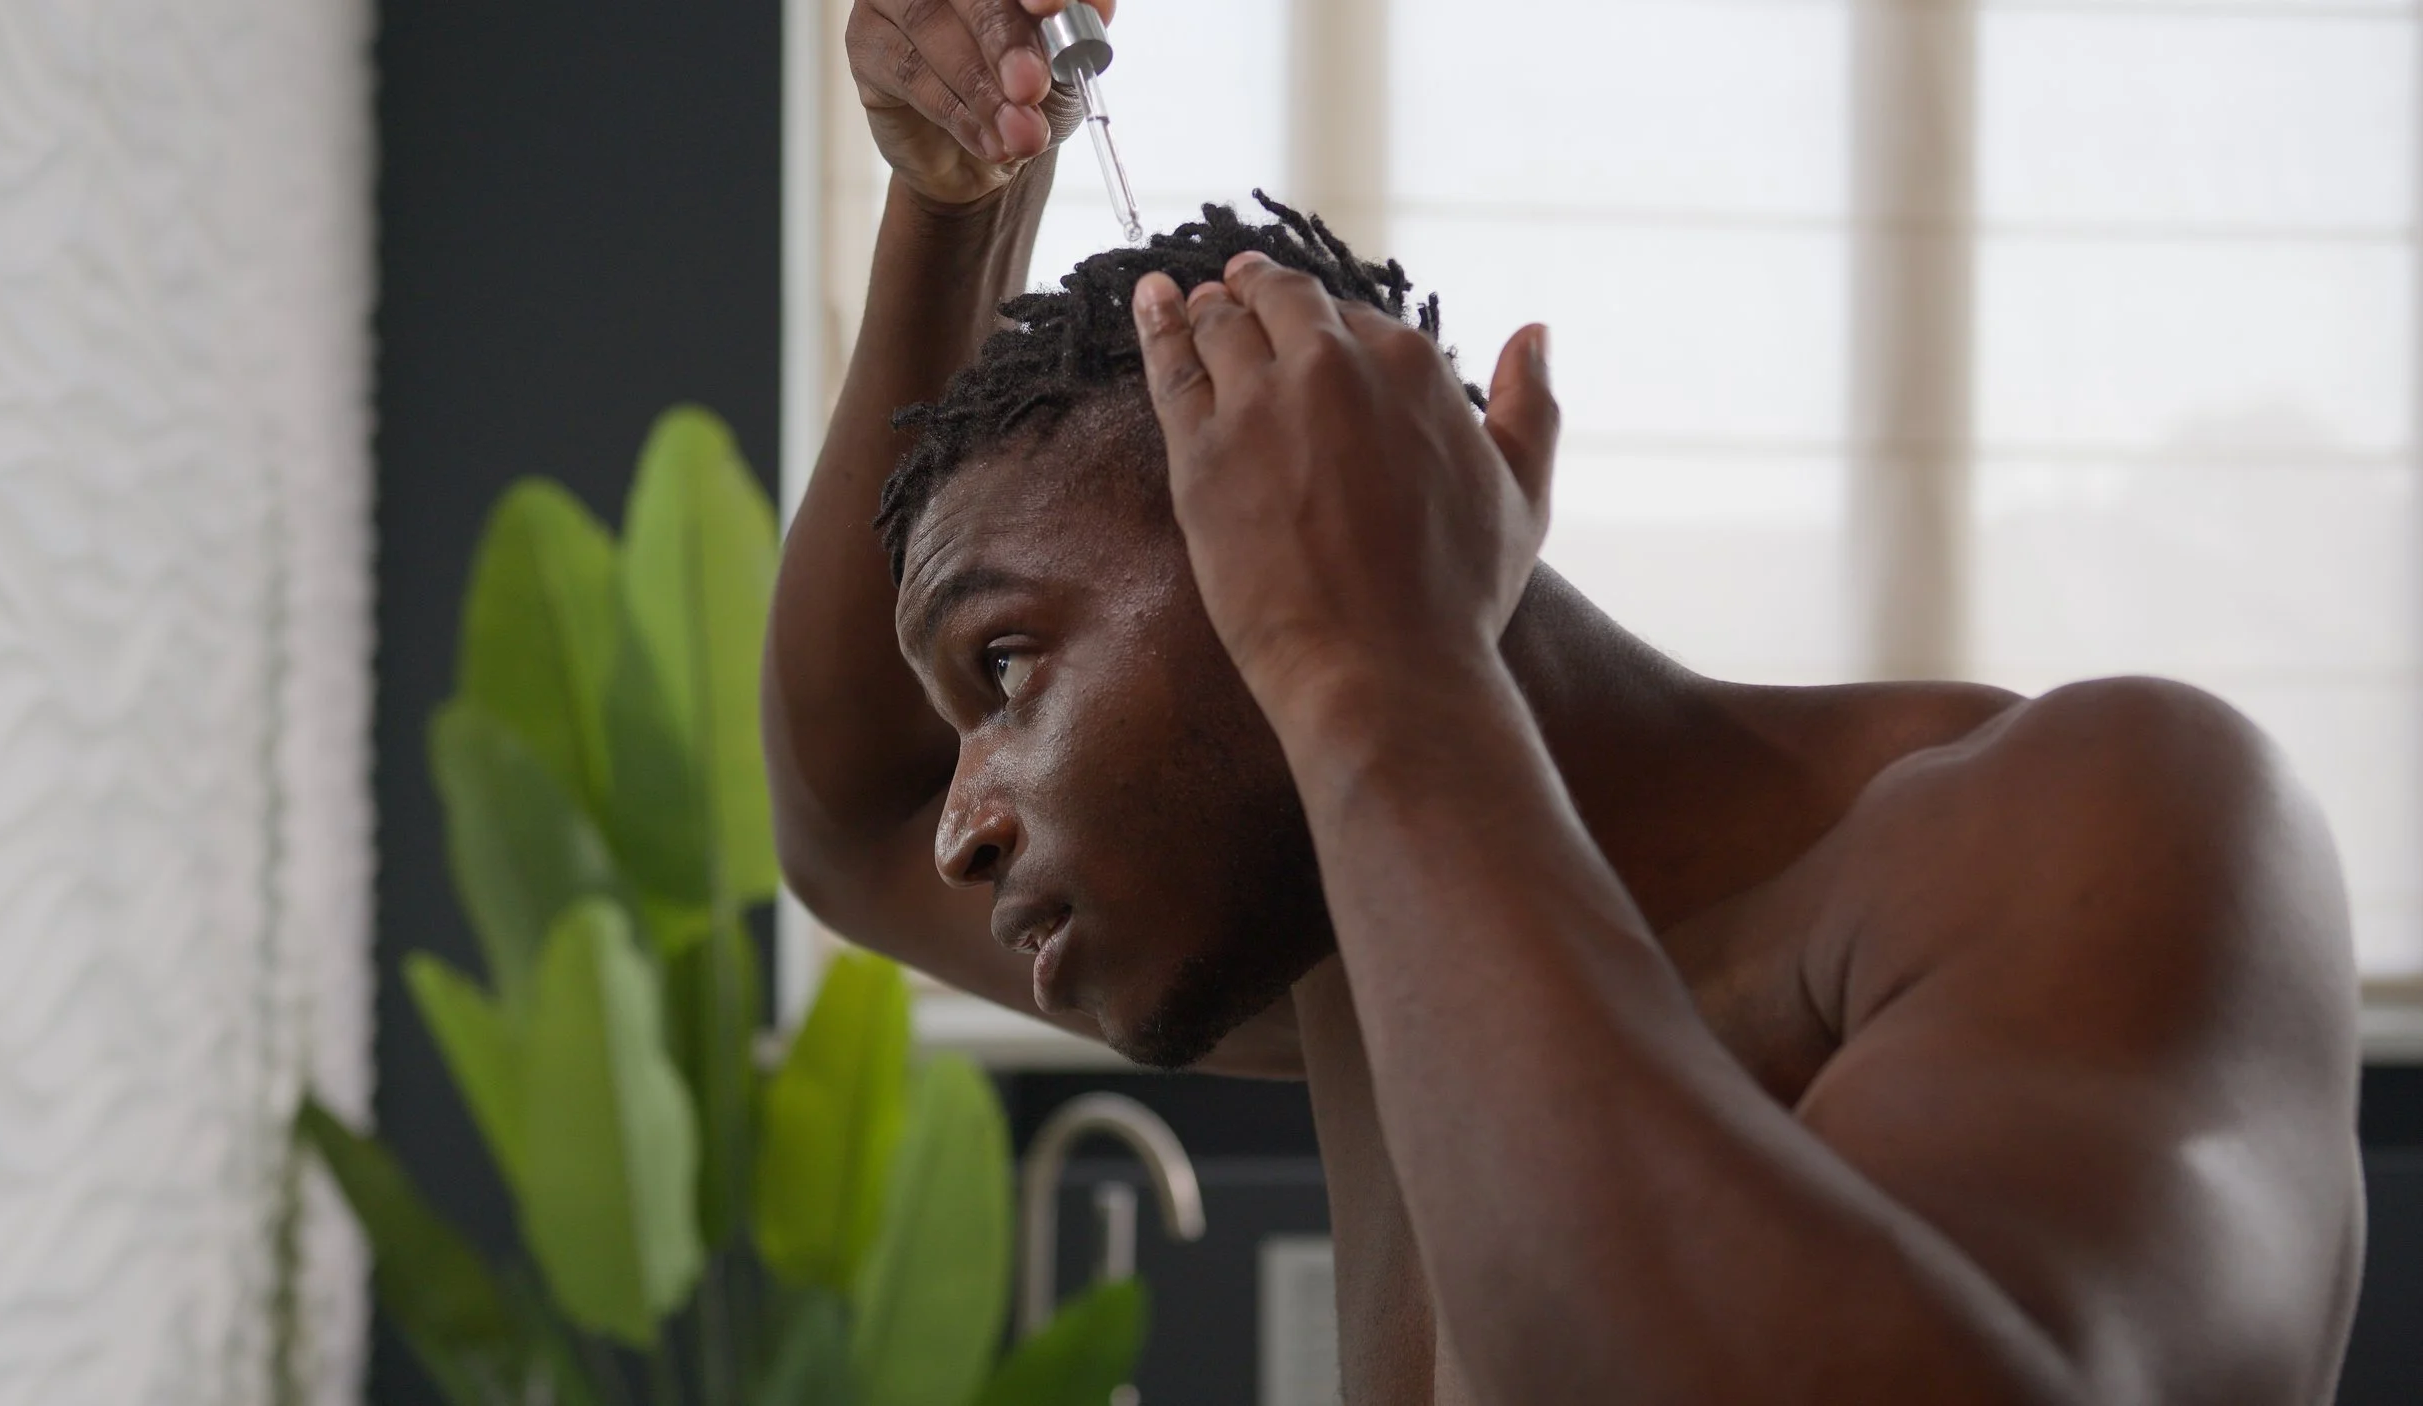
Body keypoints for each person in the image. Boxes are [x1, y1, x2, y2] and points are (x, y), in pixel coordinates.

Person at [762, 2, 2367, 1400]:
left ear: (1290, 500)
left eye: (1009, 666)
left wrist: (1371, 664)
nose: (965, 823)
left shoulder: (2105, 816)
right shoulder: (1366, 937)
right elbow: (861, 814)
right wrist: (956, 197)